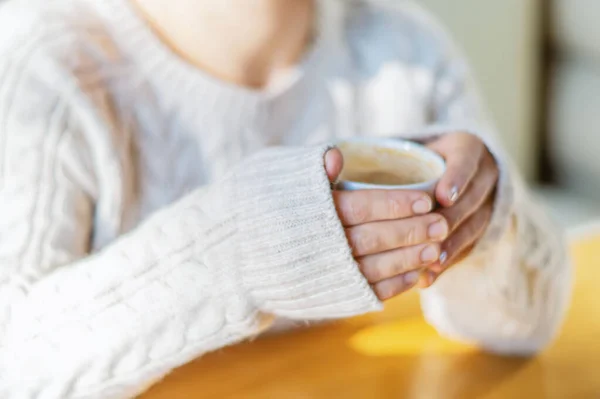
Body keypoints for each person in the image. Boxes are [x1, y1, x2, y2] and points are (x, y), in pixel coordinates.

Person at [0, 0, 570, 397]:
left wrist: (487, 220)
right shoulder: (42, 64)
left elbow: (532, 323)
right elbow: (14, 364)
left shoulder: (402, 51)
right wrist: (236, 250)